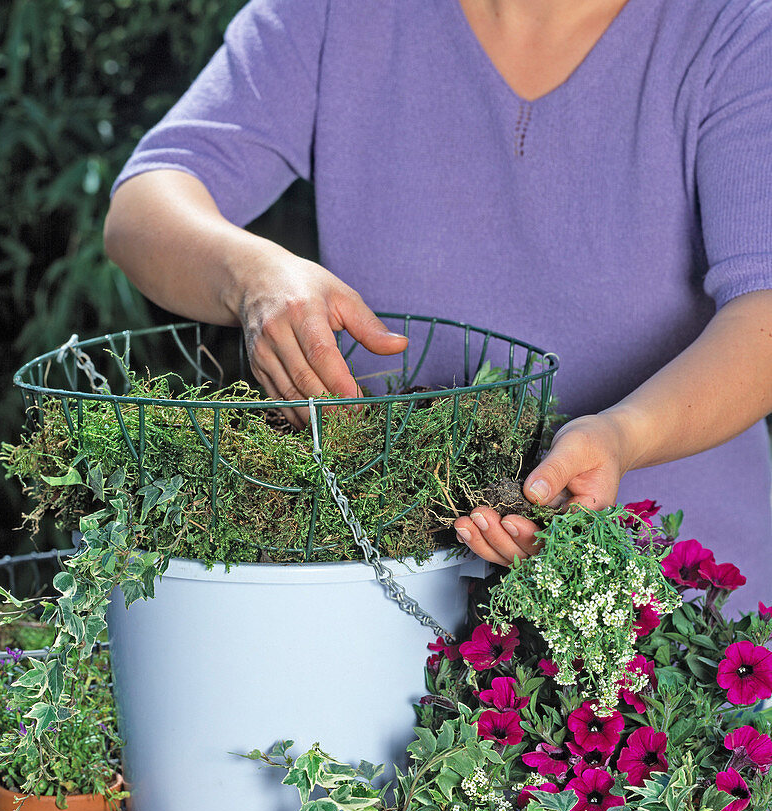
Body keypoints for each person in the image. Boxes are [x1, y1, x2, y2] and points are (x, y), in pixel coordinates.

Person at [105, 0, 772, 609]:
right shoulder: (335, 14)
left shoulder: (736, 28)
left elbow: (762, 315)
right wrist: (253, 275)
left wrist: (623, 438)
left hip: (679, 618)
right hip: (390, 601)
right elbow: (146, 205)